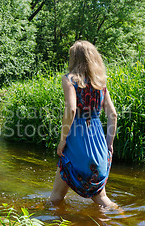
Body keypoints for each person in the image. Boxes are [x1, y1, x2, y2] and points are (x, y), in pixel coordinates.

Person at [49, 40, 117, 208]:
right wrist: (109, 144)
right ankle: (124, 220)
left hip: (76, 141)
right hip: (98, 141)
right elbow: (113, 115)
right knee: (102, 200)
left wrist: (63, 140)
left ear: (74, 58)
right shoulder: (101, 83)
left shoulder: (69, 80)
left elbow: (71, 110)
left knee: (55, 198)